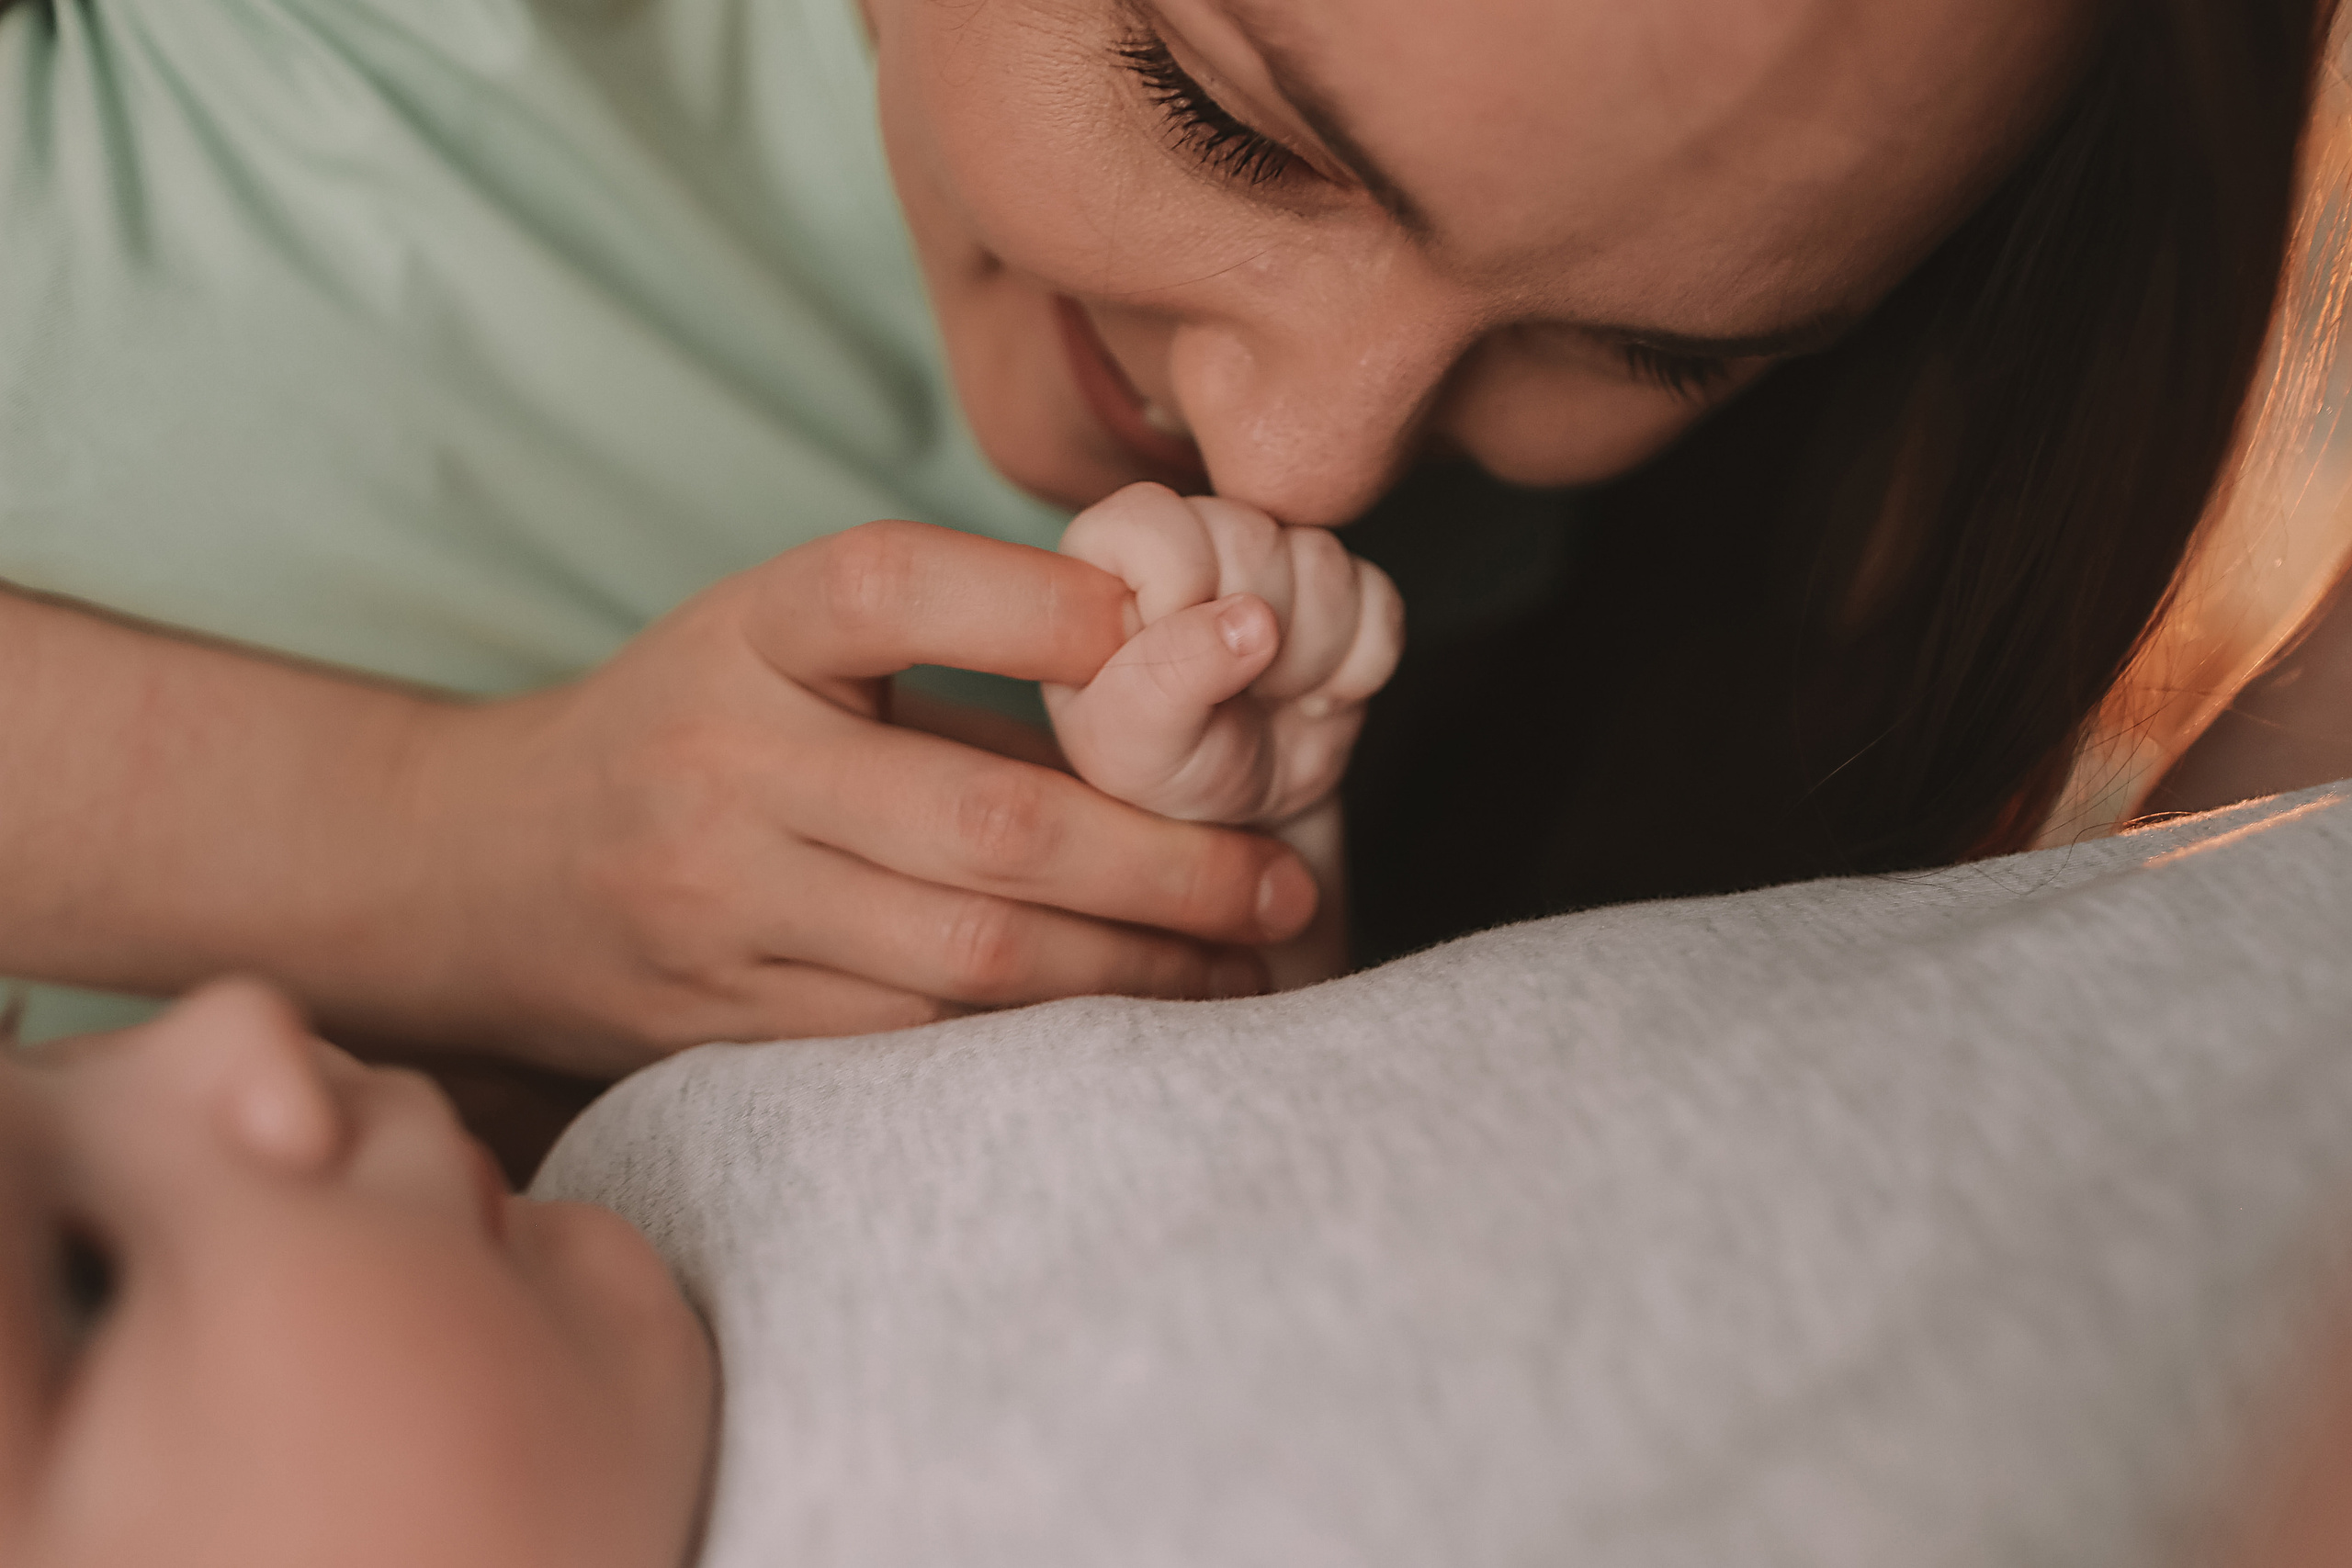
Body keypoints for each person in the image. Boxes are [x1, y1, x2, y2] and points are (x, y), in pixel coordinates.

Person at [0, 0, 2335, 1077]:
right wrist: (441, 849)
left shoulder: (1480, 585)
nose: (1316, 457)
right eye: (1214, 118)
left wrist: (1228, 933)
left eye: (1645, 350)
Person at [9, 778, 2352, 1566]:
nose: (223, 1031)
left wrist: (1225, 862)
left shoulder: (663, 1143)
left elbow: (1269, 1141)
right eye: (85, 1277)